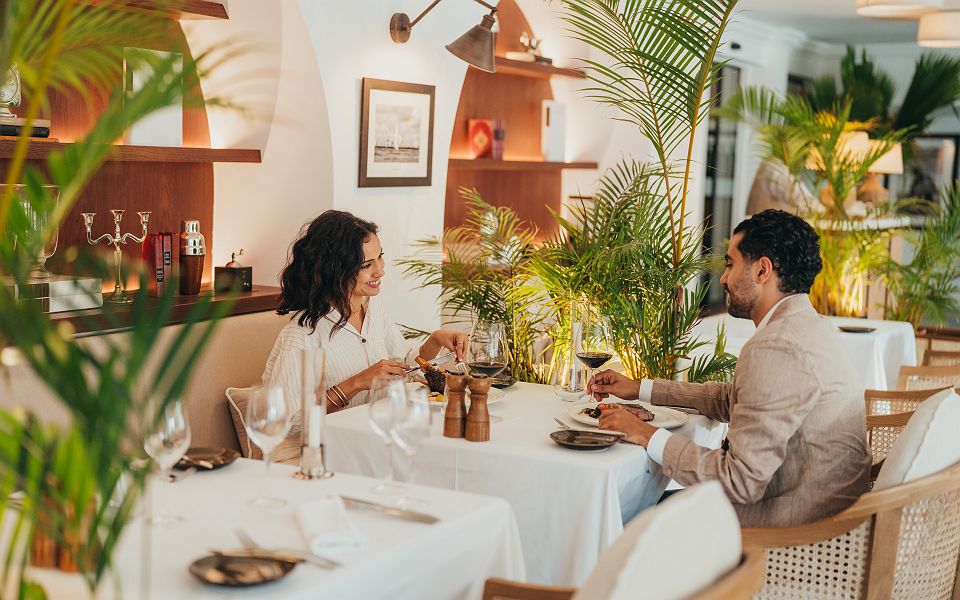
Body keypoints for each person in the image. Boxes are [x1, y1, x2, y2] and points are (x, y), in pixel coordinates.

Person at [590, 209, 871, 528]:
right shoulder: (813, 327)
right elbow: (733, 399)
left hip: (792, 535)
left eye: (730, 264)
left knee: (625, 514)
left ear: (763, 270)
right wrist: (640, 388)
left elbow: (740, 482)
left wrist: (644, 433)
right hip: (827, 513)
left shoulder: (776, 346)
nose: (723, 278)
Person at [262, 210, 467, 417]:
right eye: (366, 265)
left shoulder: (373, 309)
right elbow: (290, 421)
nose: (380, 271)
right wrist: (357, 383)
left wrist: (435, 340)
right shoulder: (302, 334)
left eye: (380, 258)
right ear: (334, 269)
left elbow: (404, 367)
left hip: (380, 432)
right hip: (332, 444)